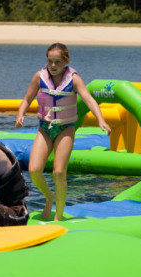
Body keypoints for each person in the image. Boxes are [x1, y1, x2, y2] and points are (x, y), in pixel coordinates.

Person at [16, 43, 111, 221]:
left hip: (65, 129)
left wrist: (101, 119)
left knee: (59, 173)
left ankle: (58, 216)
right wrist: (20, 114)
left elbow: (89, 99)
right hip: (45, 128)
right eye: (50, 61)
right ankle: (49, 197)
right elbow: (27, 99)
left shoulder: (74, 79)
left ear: (66, 61)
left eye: (57, 62)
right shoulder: (39, 76)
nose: (53, 65)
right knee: (34, 170)